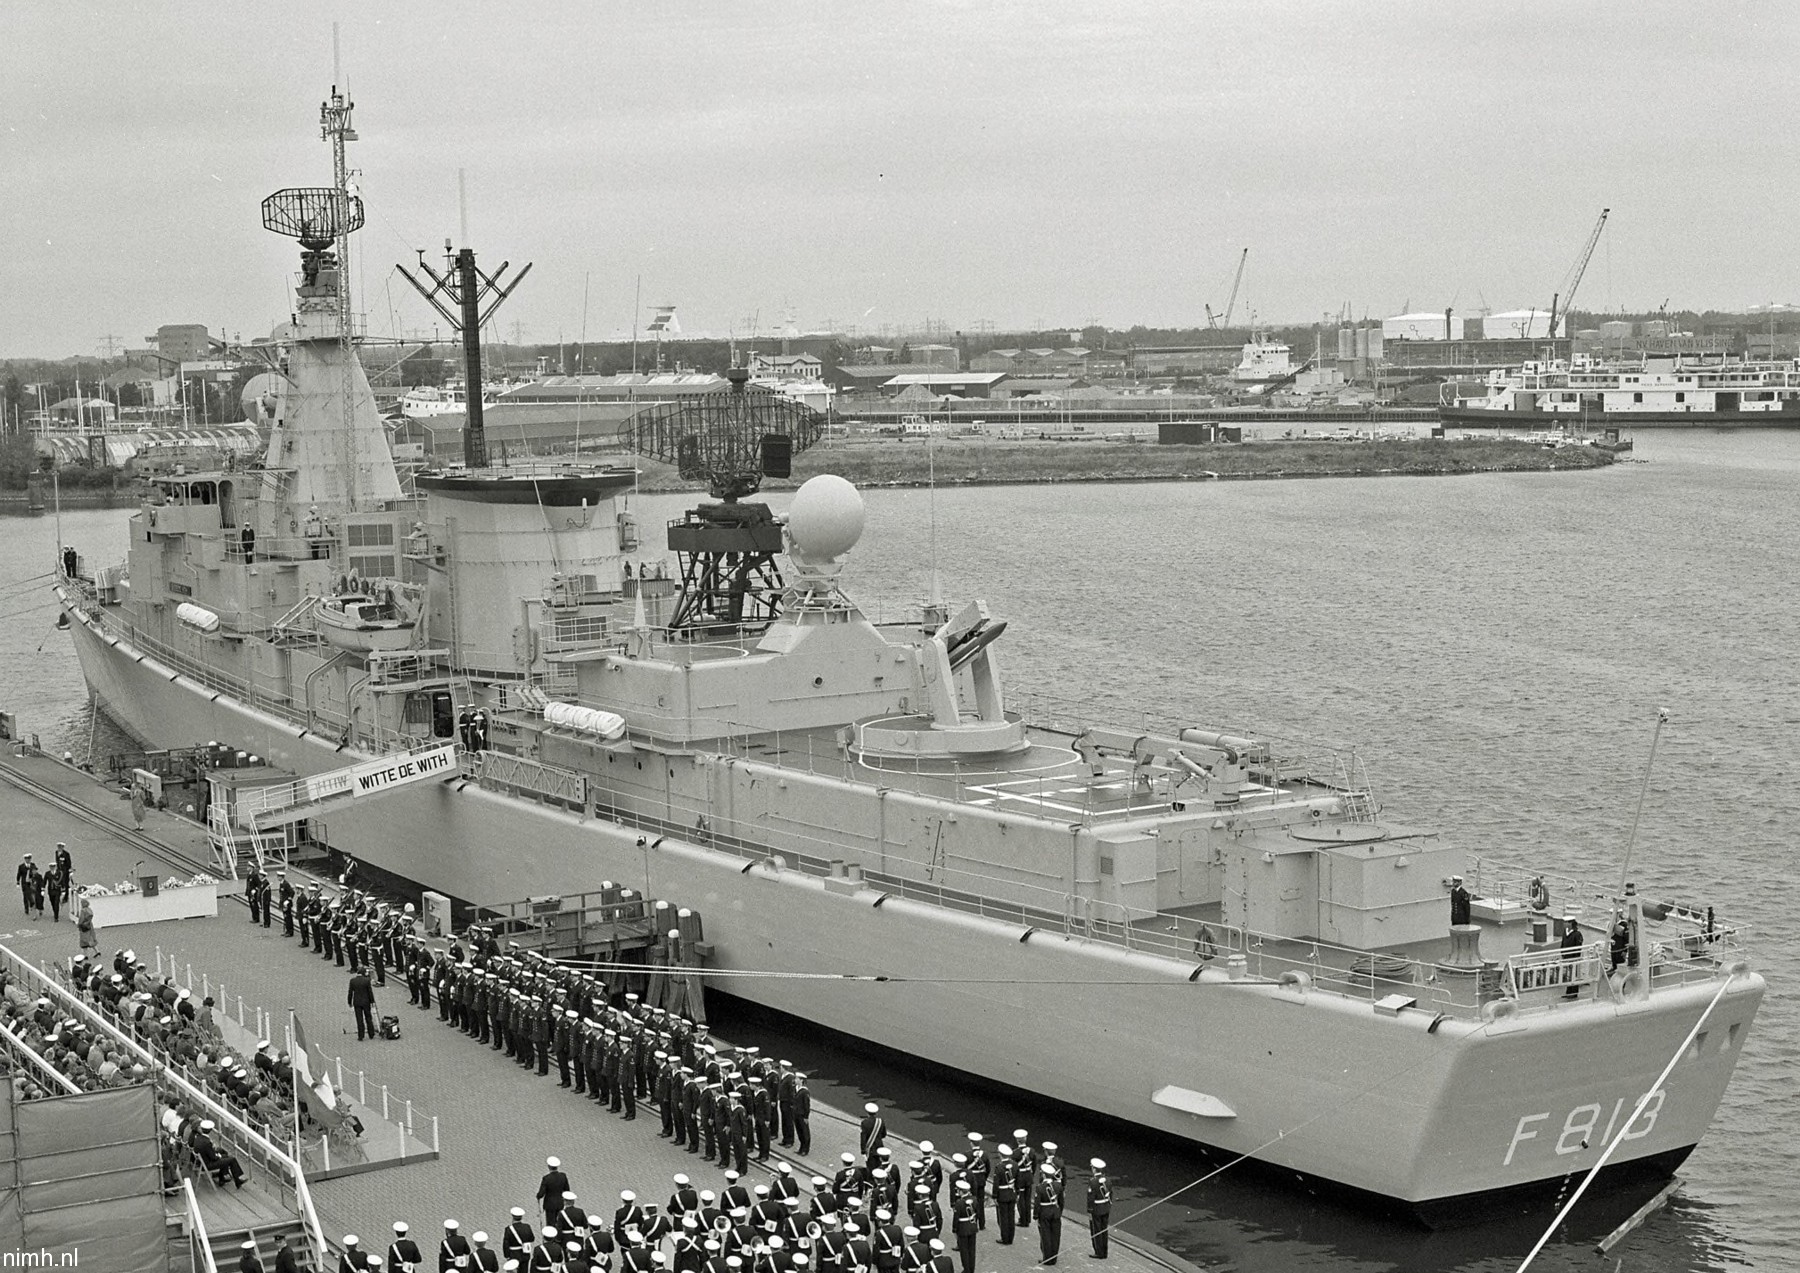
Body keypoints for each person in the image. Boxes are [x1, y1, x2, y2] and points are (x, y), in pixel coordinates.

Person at [1033, 1164, 1062, 1266]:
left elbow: (1037, 1204)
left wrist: (1035, 1216)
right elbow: (1061, 1202)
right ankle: (1054, 1258)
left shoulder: (1040, 1187)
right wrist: (1059, 1212)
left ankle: (1047, 1258)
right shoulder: (1058, 1186)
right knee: (1055, 1236)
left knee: (1045, 1236)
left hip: (1044, 1212)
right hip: (1055, 1211)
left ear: (1044, 1175)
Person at [990, 1144, 1016, 1247]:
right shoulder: (1015, 1165)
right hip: (1012, 1192)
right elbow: (1018, 1180)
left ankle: (1005, 1238)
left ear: (1000, 1154)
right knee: (1011, 1216)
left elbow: (996, 1183)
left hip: (1002, 1194)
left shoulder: (999, 1167)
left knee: (1003, 1217)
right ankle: (1011, 1237)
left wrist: (994, 1195)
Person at [1085, 1160, 1111, 1259]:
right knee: (1104, 1230)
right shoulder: (1108, 1180)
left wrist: (1089, 1211)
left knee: (1096, 1231)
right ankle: (1105, 1252)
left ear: (1094, 1169)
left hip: (1096, 1208)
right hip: (1105, 1207)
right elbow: (1110, 1194)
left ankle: (1098, 1252)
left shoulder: (1093, 1181)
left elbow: (1090, 1198)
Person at [348, 965, 376, 1041]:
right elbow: (370, 992)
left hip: (357, 1002)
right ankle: (371, 1033)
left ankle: (361, 1036)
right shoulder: (366, 981)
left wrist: (349, 1002)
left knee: (359, 1019)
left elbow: (350, 992)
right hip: (366, 1002)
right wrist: (372, 1001)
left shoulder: (352, 981)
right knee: (368, 1017)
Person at [1560, 917, 1585, 998]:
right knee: (1568, 974)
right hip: (1566, 958)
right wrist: (1562, 953)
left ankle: (1574, 992)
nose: (1564, 924)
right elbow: (1563, 943)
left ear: (1570, 923)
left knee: (1574, 975)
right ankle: (1568, 992)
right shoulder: (1565, 932)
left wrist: (1575, 958)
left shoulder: (1577, 934)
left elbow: (1578, 947)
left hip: (1573, 958)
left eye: (1566, 922)